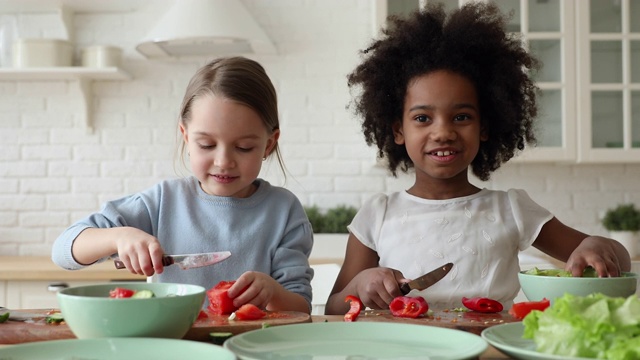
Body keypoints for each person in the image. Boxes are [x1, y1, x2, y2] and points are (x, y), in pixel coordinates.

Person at [325, 3, 630, 315]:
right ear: (398, 130)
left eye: (461, 116)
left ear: (484, 127)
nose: (442, 132)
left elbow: (619, 257)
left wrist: (598, 247)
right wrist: (361, 284)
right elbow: (334, 308)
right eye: (422, 118)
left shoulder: (512, 208)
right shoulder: (377, 215)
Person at [52, 57, 313, 314]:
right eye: (207, 145)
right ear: (186, 137)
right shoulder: (162, 201)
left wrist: (273, 293)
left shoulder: (283, 210)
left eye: (244, 147)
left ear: (269, 143)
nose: (223, 162)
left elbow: (301, 307)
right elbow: (63, 251)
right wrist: (118, 237)